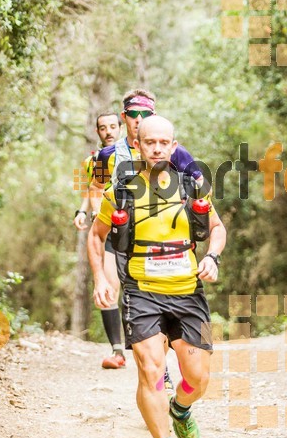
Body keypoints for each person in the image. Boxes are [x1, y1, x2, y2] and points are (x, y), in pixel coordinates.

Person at [87, 115, 226, 438]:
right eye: (151, 143)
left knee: (198, 378)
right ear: (138, 145)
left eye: (165, 143)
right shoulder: (119, 190)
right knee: (150, 371)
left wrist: (211, 256)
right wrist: (100, 277)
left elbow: (216, 228)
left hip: (187, 291)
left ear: (174, 145)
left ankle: (180, 409)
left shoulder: (192, 186)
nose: (158, 148)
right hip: (140, 291)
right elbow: (95, 235)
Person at [88, 87, 207, 390]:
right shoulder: (107, 154)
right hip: (122, 234)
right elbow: (95, 187)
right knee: (133, 291)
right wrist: (97, 213)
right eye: (133, 114)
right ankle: (152, 365)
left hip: (165, 242)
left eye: (146, 114)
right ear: (123, 115)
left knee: (153, 295)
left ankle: (161, 362)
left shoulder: (172, 151)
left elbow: (200, 185)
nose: (139, 119)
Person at [73, 112, 126, 369]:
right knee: (109, 286)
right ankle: (117, 350)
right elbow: (91, 188)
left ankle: (142, 343)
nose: (108, 131)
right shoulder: (92, 160)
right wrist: (84, 211)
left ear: (121, 127)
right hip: (106, 228)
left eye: (113, 126)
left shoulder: (133, 155)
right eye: (103, 128)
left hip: (135, 227)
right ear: (97, 132)